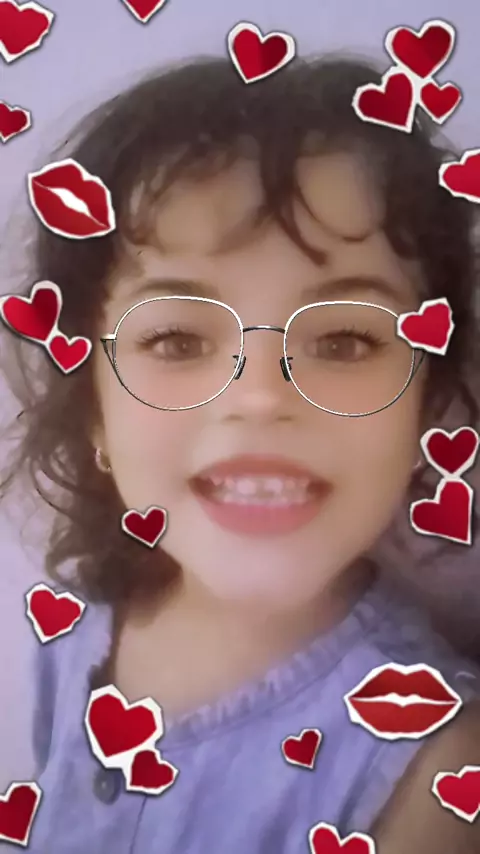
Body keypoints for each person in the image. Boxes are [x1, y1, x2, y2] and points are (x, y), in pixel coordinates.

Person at [1, 55, 480, 853]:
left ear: (427, 406)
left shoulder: (437, 771)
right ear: (93, 408)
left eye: (344, 339)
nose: (259, 396)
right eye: (177, 339)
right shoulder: (75, 625)